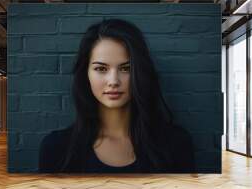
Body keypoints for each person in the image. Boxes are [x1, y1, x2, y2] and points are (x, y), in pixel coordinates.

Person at [39, 19, 195, 173]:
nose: (113, 81)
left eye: (126, 68)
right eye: (101, 69)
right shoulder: (56, 148)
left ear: (140, 72)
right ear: (85, 74)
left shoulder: (176, 144)